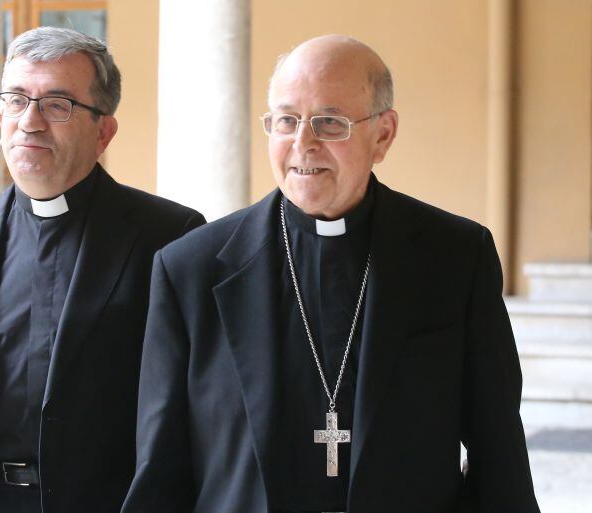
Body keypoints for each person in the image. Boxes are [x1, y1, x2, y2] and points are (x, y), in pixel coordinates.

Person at [121, 35, 540, 513]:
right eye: (285, 120)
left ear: (383, 135)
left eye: (329, 122)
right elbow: (161, 471)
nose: (303, 143)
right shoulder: (189, 269)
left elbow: (498, 447)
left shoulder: (456, 257)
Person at [0, 27, 205, 513]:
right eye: (17, 100)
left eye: (57, 104)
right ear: (0, 114)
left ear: (104, 130)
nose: (30, 122)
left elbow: (188, 417)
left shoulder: (168, 236)